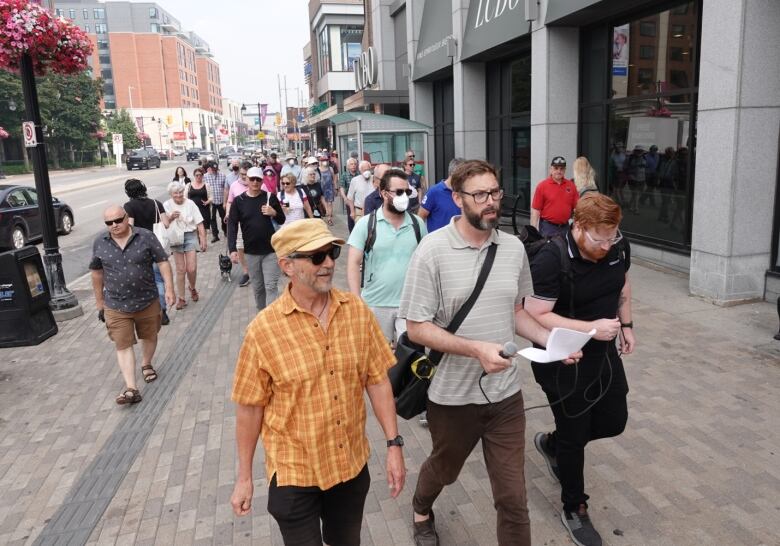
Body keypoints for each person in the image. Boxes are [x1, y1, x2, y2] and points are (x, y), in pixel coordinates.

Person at [399, 160, 580, 546]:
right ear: (457, 198)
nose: (490, 202)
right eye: (479, 194)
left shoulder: (514, 248)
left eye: (494, 192)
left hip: (505, 397)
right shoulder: (431, 251)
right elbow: (416, 327)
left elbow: (517, 313)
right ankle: (421, 507)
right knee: (445, 470)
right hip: (451, 397)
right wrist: (475, 349)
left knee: (513, 499)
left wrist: (552, 342)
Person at [230, 219, 406, 545]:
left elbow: (378, 380)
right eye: (316, 257)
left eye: (332, 253)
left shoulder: (356, 311)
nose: (328, 263)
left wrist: (394, 444)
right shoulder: (263, 330)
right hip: (295, 471)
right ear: (287, 266)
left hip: (349, 465)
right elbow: (249, 408)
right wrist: (244, 478)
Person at [525, 193, 635, 546]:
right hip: (562, 356)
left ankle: (553, 444)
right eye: (599, 238)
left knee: (613, 419)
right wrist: (588, 329)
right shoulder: (551, 257)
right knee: (576, 432)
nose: (607, 245)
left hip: (603, 352)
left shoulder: (618, 247)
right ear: (579, 226)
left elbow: (623, 285)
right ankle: (574, 506)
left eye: (612, 236)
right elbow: (536, 314)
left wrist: (628, 325)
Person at [90, 205, 175, 405]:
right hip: (116, 304)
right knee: (123, 343)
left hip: (146, 300)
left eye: (118, 220)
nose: (114, 225)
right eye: (109, 223)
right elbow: (96, 272)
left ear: (127, 218)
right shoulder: (100, 242)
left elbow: (162, 261)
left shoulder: (145, 236)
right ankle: (131, 388)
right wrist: (99, 301)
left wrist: (169, 289)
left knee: (150, 335)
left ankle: (146, 363)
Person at [347, 169, 427, 344]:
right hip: (375, 303)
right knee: (378, 361)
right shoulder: (366, 224)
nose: (404, 196)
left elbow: (425, 262)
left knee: (408, 358)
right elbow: (353, 263)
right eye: (398, 192)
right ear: (383, 193)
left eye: (407, 192)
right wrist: (356, 300)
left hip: (409, 304)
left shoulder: (417, 224)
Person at [228, 169, 286, 310]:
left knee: (271, 286)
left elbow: (282, 219)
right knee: (258, 288)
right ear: (246, 179)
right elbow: (232, 225)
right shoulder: (239, 201)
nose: (255, 182)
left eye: (258, 179)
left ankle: (271, 318)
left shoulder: (269, 197)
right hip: (251, 252)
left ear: (262, 181)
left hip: (270, 251)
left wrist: (274, 213)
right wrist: (232, 249)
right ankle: (262, 315)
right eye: (252, 179)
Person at [122, 178, 172, 325]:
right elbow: (167, 224)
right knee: (159, 279)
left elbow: (129, 227)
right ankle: (162, 311)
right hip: (157, 246)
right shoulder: (156, 203)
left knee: (143, 280)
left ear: (128, 192)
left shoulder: (129, 206)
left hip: (139, 248)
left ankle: (146, 311)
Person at [163, 181, 208, 310]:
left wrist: (203, 238)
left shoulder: (190, 203)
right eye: (176, 193)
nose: (179, 195)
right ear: (171, 194)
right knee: (180, 270)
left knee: (192, 268)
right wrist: (171, 217)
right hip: (175, 237)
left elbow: (199, 222)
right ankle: (181, 298)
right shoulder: (166, 205)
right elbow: (165, 224)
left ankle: (192, 288)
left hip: (190, 235)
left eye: (181, 192)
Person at [531, 156, 579, 237]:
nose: (559, 171)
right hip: (548, 228)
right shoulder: (542, 186)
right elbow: (536, 211)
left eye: (561, 168)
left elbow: (577, 208)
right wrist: (533, 231)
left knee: (565, 249)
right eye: (556, 168)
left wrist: (576, 226)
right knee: (548, 249)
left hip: (565, 227)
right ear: (551, 169)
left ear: (565, 170)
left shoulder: (571, 186)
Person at [225, 162, 254, 287]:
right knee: (240, 246)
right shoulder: (234, 186)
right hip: (240, 222)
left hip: (256, 221)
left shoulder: (259, 184)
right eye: (241, 174)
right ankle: (246, 272)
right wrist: (228, 213)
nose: (243, 177)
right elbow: (230, 202)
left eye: (246, 174)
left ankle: (257, 269)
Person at [418, 157, 465, 233]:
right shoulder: (434, 192)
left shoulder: (465, 192)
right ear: (453, 174)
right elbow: (420, 217)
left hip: (460, 240)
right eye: (463, 175)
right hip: (438, 242)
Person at [203, 161, 228, 243]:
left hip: (221, 200)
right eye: (213, 169)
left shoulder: (222, 176)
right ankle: (215, 235)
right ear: (209, 169)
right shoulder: (205, 177)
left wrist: (225, 201)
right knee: (212, 219)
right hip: (211, 202)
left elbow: (225, 189)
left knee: (223, 217)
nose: (215, 171)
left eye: (216, 169)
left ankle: (225, 231)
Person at [187, 167, 212, 235]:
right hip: (192, 210)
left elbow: (211, 197)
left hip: (204, 210)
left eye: (200, 175)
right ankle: (199, 243)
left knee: (203, 230)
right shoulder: (189, 185)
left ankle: (203, 244)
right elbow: (185, 197)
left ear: (202, 175)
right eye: (197, 175)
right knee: (195, 230)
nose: (198, 176)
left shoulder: (207, 185)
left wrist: (207, 202)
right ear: (194, 176)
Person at [624, 145, 646, 214]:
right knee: (636, 194)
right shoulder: (630, 158)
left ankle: (630, 206)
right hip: (632, 178)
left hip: (642, 179)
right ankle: (636, 208)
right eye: (638, 150)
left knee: (635, 194)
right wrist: (629, 174)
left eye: (640, 151)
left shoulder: (644, 158)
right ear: (635, 151)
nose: (639, 152)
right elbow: (625, 167)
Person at [340, 157, 359, 231]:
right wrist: (345, 198)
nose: (353, 165)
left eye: (355, 164)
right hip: (349, 200)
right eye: (351, 164)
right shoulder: (344, 175)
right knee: (351, 217)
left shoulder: (359, 174)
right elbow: (342, 187)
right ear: (348, 166)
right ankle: (352, 234)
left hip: (359, 199)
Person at [318, 154, 336, 224]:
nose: (325, 162)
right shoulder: (318, 169)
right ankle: (327, 214)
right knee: (324, 204)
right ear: (320, 162)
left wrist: (335, 187)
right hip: (321, 189)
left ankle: (329, 218)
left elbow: (333, 178)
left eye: (326, 160)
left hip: (329, 189)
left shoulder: (330, 169)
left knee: (330, 203)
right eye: (323, 161)